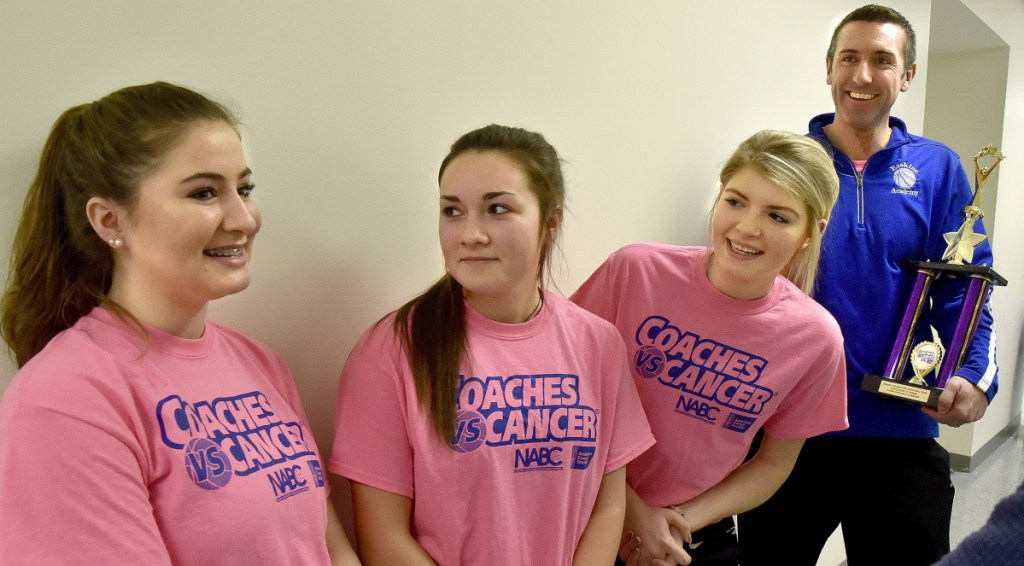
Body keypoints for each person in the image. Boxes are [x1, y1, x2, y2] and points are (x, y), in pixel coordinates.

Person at [0, 82, 358, 565]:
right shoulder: (65, 399)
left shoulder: (259, 364)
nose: (244, 218)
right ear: (109, 221)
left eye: (245, 189)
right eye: (204, 192)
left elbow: (329, 548)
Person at [738, 6, 999, 566]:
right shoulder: (787, 164)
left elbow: (969, 292)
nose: (861, 76)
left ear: (906, 76)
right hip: (789, 434)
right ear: (828, 68)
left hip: (900, 430)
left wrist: (975, 376)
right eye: (849, 58)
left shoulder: (941, 170)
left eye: (882, 60)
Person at [329, 124, 655, 565]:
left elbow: (608, 504)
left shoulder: (598, 344)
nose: (470, 234)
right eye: (452, 211)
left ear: (550, 221)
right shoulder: (391, 351)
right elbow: (383, 539)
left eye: (497, 209)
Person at [571, 129, 848, 566]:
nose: (748, 228)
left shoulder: (816, 339)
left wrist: (677, 522)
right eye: (735, 201)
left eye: (778, 216)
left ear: (811, 232)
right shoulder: (634, 272)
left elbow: (773, 465)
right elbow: (566, 400)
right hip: (581, 513)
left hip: (689, 535)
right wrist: (633, 514)